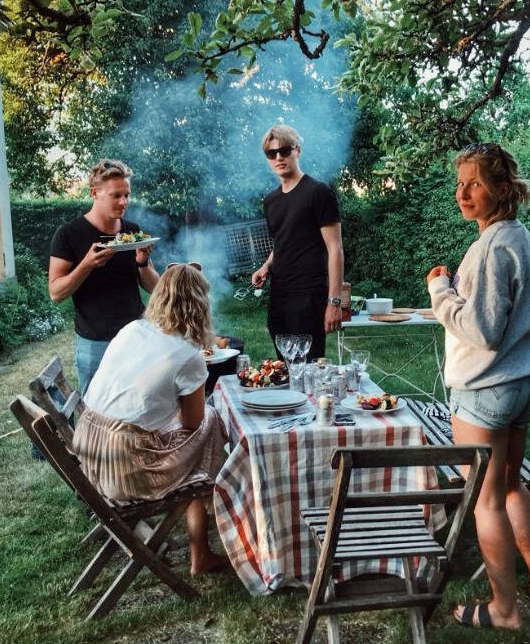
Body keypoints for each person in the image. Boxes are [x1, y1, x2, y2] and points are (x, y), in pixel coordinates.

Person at [425, 142, 530, 629]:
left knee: (486, 501)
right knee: (511, 489)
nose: (462, 192)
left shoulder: (489, 249)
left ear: (503, 189)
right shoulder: (523, 241)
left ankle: (504, 610)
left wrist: (440, 292)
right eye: (459, 183)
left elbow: (482, 330)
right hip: (524, 385)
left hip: (486, 391)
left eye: (475, 183)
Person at [72, 263, 229, 575]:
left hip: (87, 453)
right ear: (200, 305)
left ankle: (202, 543)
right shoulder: (188, 356)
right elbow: (192, 424)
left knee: (193, 435)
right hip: (124, 469)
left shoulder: (132, 329)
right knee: (211, 422)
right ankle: (208, 529)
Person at [49, 159, 159, 395]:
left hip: (135, 336)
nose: (124, 202)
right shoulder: (69, 234)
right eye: (116, 195)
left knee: (138, 405)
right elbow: (56, 292)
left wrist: (142, 262)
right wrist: (87, 265)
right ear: (94, 193)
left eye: (127, 195)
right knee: (94, 412)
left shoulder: (132, 231)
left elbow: (154, 287)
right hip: (94, 342)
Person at [250, 124, 344, 360]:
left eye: (284, 151)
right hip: (279, 295)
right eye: (272, 154)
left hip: (309, 296)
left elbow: (335, 249)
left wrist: (334, 302)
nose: (278, 158)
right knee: (283, 370)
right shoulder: (270, 201)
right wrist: (266, 266)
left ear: (297, 151)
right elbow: (281, 242)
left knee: (309, 370)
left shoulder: (318, 192)